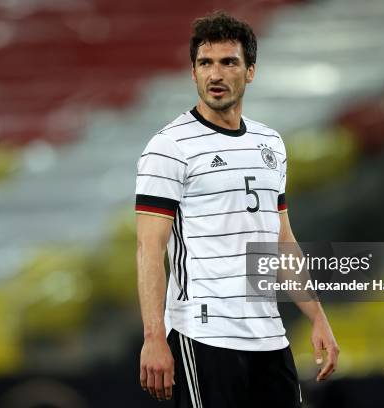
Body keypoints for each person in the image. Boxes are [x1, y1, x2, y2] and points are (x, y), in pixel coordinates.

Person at [135, 11, 339, 407]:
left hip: (269, 336)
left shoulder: (271, 144)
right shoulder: (169, 147)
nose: (215, 73)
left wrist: (317, 316)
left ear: (250, 72)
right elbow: (149, 248)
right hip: (203, 335)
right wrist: (154, 337)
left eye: (228, 62)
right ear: (192, 72)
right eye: (205, 63)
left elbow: (283, 239)